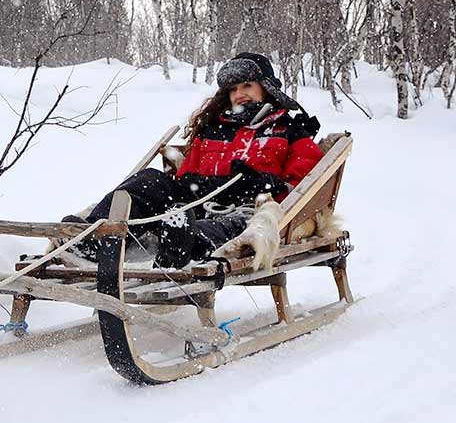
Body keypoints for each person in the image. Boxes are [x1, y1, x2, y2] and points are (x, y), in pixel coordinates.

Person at [64, 52, 325, 268]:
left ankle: (179, 244)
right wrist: (194, 182)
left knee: (218, 226)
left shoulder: (288, 130)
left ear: (265, 88)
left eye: (247, 85)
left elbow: (305, 185)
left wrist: (265, 184)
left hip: (247, 209)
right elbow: (185, 177)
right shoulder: (214, 128)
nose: (239, 94)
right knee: (149, 181)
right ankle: (94, 236)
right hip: (197, 202)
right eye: (233, 89)